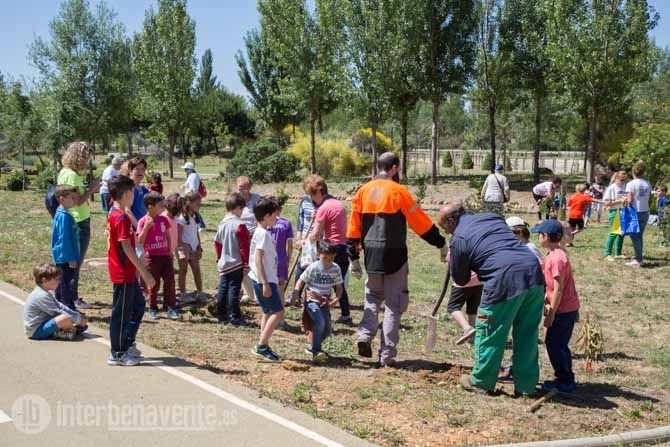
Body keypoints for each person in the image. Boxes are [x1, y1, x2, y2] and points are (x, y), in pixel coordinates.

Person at [348, 152, 447, 367]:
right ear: (394, 168)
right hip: (395, 256)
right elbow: (420, 223)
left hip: (371, 255)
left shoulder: (362, 191)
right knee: (394, 305)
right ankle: (387, 356)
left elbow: (353, 227)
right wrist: (440, 243)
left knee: (372, 296)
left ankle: (364, 335)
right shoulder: (399, 192)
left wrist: (353, 257)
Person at [437, 203, 545, 396]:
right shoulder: (491, 217)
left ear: (451, 219)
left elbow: (460, 280)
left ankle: (481, 381)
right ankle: (526, 387)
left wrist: (455, 262)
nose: (445, 231)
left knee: (490, 331)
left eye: (443, 226)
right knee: (527, 334)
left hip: (504, 279)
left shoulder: (459, 238)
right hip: (533, 272)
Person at [106, 175, 156, 366]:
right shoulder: (120, 218)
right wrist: (144, 272)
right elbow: (126, 247)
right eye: (133, 192)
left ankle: (126, 343)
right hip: (123, 273)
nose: (135, 196)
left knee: (138, 306)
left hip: (127, 272)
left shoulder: (117, 213)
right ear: (127, 194)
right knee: (121, 313)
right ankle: (117, 352)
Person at [531, 219, 580, 393]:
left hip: (563, 309)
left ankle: (565, 381)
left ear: (546, 236)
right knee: (557, 343)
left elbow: (559, 288)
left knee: (555, 344)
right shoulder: (553, 254)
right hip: (562, 307)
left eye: (539, 235)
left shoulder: (557, 258)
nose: (538, 238)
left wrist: (551, 313)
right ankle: (565, 377)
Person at [57, 141, 100, 310]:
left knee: (73, 262)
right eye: (86, 157)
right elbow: (77, 201)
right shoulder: (72, 176)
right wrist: (92, 189)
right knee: (75, 262)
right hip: (79, 222)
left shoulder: (67, 172)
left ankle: (67, 296)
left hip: (78, 220)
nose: (87, 161)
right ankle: (71, 298)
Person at [306, 175, 352, 325]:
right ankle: (346, 314)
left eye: (312, 195)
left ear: (319, 192)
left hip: (330, 249)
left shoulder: (323, 208)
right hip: (343, 247)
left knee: (320, 281)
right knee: (339, 282)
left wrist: (305, 242)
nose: (312, 199)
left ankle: (318, 310)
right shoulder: (338, 204)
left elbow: (315, 234)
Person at [293, 240, 343, 364]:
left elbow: (339, 286)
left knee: (327, 329)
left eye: (331, 258)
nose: (328, 261)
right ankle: (316, 350)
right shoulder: (314, 267)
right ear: (318, 255)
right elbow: (301, 280)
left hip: (325, 302)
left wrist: (337, 298)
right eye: (325, 257)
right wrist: (295, 294)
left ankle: (313, 346)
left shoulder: (335, 268)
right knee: (319, 321)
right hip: (312, 299)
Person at [249, 196, 284, 362]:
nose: (277, 218)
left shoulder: (260, 231)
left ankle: (264, 343)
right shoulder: (263, 234)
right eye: (275, 215)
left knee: (268, 312)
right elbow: (258, 259)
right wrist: (265, 283)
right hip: (265, 280)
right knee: (278, 312)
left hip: (263, 278)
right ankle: (261, 346)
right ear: (267, 216)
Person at [137, 191, 178, 320]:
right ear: (150, 206)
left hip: (165, 256)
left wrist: (170, 252)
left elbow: (167, 236)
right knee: (153, 283)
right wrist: (146, 228)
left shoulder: (163, 219)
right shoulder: (143, 221)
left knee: (170, 282)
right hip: (152, 257)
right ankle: (153, 307)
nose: (163, 207)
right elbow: (140, 241)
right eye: (160, 205)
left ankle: (170, 307)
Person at [214, 193, 251, 326]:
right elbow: (244, 247)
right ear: (238, 208)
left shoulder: (222, 223)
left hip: (224, 262)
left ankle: (221, 314)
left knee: (223, 288)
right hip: (236, 262)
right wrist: (246, 263)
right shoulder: (240, 225)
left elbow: (217, 242)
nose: (242, 212)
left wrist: (219, 257)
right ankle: (234, 316)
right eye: (242, 209)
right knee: (234, 289)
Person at [24, 263, 87, 341]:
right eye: (56, 279)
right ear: (44, 280)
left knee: (68, 318)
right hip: (35, 331)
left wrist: (77, 316)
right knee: (65, 318)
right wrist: (79, 320)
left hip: (43, 324)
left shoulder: (44, 292)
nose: (59, 282)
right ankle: (73, 331)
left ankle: (70, 330)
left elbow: (60, 306)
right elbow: (58, 312)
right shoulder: (41, 295)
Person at [51, 185, 81, 310]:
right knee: (66, 284)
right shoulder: (64, 216)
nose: (74, 200)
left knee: (61, 283)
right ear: (62, 199)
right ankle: (68, 310)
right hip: (65, 257)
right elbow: (64, 239)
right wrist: (70, 258)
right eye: (71, 197)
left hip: (62, 255)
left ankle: (60, 308)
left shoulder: (61, 213)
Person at [236, 175, 262, 303]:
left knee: (255, 264)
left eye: (244, 188)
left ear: (250, 187)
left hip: (254, 236)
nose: (241, 190)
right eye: (239, 187)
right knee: (242, 266)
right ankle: (247, 292)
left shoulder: (257, 199)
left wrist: (256, 234)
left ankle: (257, 292)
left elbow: (260, 218)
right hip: (239, 237)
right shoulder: (235, 200)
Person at [176, 192, 204, 303]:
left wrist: (199, 246)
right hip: (185, 247)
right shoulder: (182, 218)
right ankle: (183, 294)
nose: (200, 205)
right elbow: (178, 236)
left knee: (197, 270)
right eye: (197, 203)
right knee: (183, 270)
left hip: (194, 246)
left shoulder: (195, 216)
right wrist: (181, 250)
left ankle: (200, 293)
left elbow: (196, 232)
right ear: (189, 203)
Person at [625, 162, 652, 268]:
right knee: (639, 236)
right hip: (645, 211)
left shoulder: (631, 184)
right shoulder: (647, 183)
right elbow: (650, 199)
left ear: (633, 171)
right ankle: (638, 256)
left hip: (634, 211)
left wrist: (625, 203)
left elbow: (629, 200)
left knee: (634, 236)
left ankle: (638, 260)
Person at [269, 198, 294, 295]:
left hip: (268, 258)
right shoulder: (286, 223)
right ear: (280, 209)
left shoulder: (265, 223)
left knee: (268, 285)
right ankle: (280, 302)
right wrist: (288, 259)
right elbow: (290, 245)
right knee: (280, 287)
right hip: (281, 259)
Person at [603, 170, 628, 261]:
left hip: (624, 211)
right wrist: (619, 201)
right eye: (621, 179)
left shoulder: (626, 186)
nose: (623, 182)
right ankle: (607, 254)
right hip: (615, 211)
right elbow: (606, 203)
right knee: (614, 233)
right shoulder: (612, 188)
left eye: (624, 180)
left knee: (622, 233)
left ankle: (618, 253)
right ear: (616, 178)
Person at [125, 156, 149, 226]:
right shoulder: (128, 188)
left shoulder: (144, 190)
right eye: (137, 169)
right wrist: (138, 227)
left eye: (143, 169)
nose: (140, 172)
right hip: (133, 228)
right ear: (130, 170)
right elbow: (127, 210)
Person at [182, 162, 205, 231]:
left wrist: (192, 197)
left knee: (194, 210)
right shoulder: (192, 175)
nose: (185, 171)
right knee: (192, 210)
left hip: (191, 196)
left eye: (186, 169)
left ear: (190, 169)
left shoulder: (193, 176)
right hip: (191, 196)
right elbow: (187, 184)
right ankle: (197, 224)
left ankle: (202, 225)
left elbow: (193, 187)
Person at [162, 193, 184, 258]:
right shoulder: (164, 219)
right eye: (180, 209)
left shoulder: (174, 218)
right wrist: (168, 251)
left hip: (170, 252)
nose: (181, 212)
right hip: (164, 253)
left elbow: (174, 236)